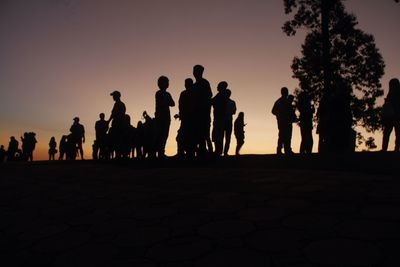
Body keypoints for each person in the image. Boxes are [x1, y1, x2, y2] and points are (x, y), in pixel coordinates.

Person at [193, 65, 213, 155]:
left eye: (197, 71)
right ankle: (202, 152)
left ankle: (207, 152)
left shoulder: (204, 83)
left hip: (203, 112)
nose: (195, 73)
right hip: (196, 113)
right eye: (194, 71)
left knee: (205, 133)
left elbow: (209, 95)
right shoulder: (195, 85)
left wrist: (202, 103)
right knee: (198, 133)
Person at [154, 76, 175, 158]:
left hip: (166, 117)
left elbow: (173, 103)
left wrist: (166, 101)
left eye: (167, 82)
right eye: (165, 82)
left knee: (165, 135)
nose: (167, 84)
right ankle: (157, 153)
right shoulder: (158, 93)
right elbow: (162, 103)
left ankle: (161, 152)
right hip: (160, 117)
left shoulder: (167, 94)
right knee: (159, 135)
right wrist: (166, 102)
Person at [176, 78, 195, 157]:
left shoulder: (193, 93)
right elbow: (180, 106)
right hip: (185, 118)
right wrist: (180, 115)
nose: (185, 85)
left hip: (191, 118)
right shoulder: (183, 93)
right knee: (181, 136)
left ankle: (187, 152)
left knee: (188, 136)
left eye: (186, 83)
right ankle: (182, 152)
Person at [271, 87, 292, 155]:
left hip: (287, 121)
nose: (287, 92)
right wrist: (280, 115)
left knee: (287, 135)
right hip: (282, 122)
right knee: (282, 135)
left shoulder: (285, 101)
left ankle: (287, 149)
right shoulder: (279, 101)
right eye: (286, 91)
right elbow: (273, 111)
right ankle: (280, 150)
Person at [382, 78, 400, 151]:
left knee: (397, 133)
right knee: (387, 132)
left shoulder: (395, 93)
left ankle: (396, 149)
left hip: (397, 116)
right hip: (390, 117)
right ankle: (384, 149)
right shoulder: (390, 93)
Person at [108, 90, 126, 158]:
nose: (113, 97)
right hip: (121, 124)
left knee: (117, 140)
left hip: (117, 124)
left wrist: (108, 121)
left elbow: (113, 114)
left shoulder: (117, 104)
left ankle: (118, 156)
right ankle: (120, 156)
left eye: (114, 96)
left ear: (117, 96)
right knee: (120, 140)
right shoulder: (122, 104)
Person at [211, 81, 228, 156]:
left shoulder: (222, 95)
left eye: (218, 85)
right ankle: (218, 151)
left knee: (218, 134)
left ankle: (218, 151)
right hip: (218, 117)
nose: (217, 87)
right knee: (217, 134)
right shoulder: (220, 95)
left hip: (220, 118)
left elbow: (212, 101)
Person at [223, 89, 237, 156]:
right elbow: (234, 111)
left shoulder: (231, 102)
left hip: (226, 120)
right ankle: (224, 152)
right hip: (227, 120)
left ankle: (224, 152)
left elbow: (234, 111)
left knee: (226, 137)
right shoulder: (232, 102)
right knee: (227, 137)